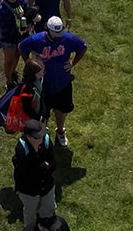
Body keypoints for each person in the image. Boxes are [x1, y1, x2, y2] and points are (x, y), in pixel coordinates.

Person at [18, 15, 87, 148]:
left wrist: (72, 63)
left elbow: (83, 47)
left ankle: (60, 131)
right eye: (55, 34)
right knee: (43, 113)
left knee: (61, 110)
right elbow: (22, 47)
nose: (58, 37)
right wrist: (29, 64)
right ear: (47, 30)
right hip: (43, 86)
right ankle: (43, 134)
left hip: (62, 83)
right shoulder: (36, 40)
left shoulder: (67, 38)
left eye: (59, 33)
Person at [13, 118, 57, 227]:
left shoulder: (46, 140)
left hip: (47, 185)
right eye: (37, 137)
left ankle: (47, 229)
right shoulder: (21, 149)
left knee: (48, 210)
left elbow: (53, 164)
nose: (41, 139)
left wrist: (41, 168)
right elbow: (27, 173)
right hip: (29, 190)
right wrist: (44, 166)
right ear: (28, 137)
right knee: (30, 213)